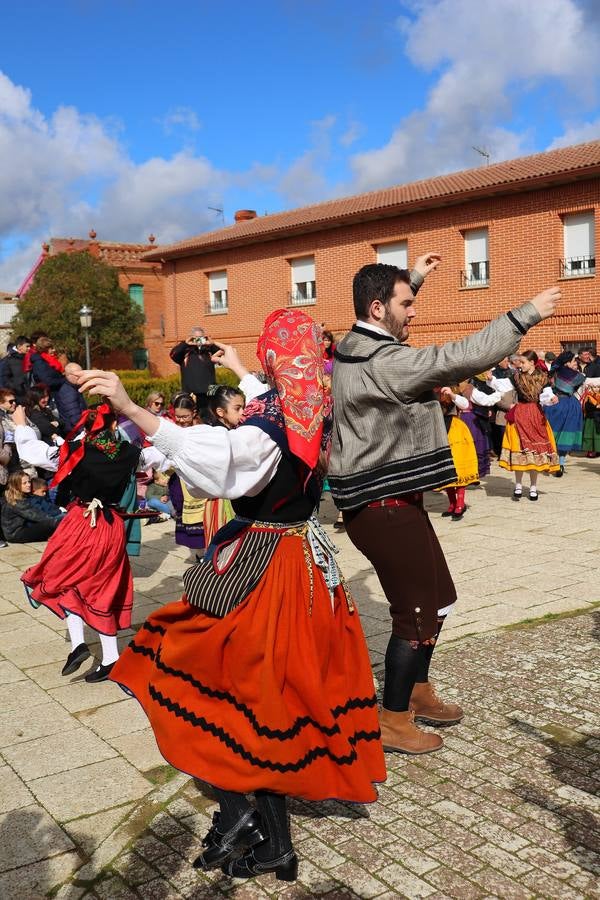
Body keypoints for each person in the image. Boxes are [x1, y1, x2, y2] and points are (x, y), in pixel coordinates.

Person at [75, 316, 385, 883]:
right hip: (306, 559)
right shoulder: (312, 401)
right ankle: (268, 838)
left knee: (219, 679)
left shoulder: (264, 429)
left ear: (274, 358)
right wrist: (240, 365)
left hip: (268, 566)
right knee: (271, 697)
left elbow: (222, 463)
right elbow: (271, 397)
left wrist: (132, 407)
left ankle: (245, 815)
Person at [328, 255, 560, 754]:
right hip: (381, 505)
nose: (413, 311)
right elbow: (455, 358)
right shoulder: (384, 360)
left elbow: (382, 310)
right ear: (376, 307)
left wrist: (411, 278)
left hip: (394, 501)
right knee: (414, 613)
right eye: (406, 303)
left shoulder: (358, 341)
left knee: (441, 600)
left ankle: (417, 689)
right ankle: (391, 719)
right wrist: (524, 315)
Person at [16, 403, 165, 681]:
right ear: (113, 426)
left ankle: (81, 645)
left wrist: (22, 425)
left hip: (80, 523)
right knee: (101, 589)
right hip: (111, 525)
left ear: (86, 427)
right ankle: (105, 657)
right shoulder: (132, 454)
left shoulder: (73, 452)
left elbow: (30, 452)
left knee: (64, 579)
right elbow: (161, 456)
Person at [499, 350, 560, 498]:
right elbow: (503, 385)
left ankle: (533, 487)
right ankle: (518, 485)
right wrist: (491, 380)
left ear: (532, 363)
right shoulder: (516, 376)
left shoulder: (542, 377)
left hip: (535, 414)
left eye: (523, 362)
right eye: (519, 362)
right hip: (520, 414)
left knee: (534, 452)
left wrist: (551, 399)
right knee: (519, 450)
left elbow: (546, 394)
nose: (520, 364)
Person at [202, 385, 244, 544]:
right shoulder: (217, 436)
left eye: (243, 407)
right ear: (221, 412)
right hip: (221, 501)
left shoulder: (232, 431)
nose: (242, 412)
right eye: (237, 408)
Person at [168, 395, 205, 553]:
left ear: (194, 412)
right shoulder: (172, 431)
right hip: (180, 480)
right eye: (178, 416)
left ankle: (206, 555)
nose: (181, 420)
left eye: (185, 416)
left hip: (200, 480)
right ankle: (198, 555)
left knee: (205, 521)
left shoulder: (202, 430)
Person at [436, 386, 479, 520]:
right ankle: (452, 503)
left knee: (458, 467)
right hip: (439, 429)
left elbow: (465, 404)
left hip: (455, 429)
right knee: (445, 468)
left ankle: (460, 503)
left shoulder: (453, 387)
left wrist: (452, 395)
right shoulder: (430, 390)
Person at [545, 351, 585, 475]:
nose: (575, 363)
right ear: (567, 363)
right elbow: (579, 384)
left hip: (554, 404)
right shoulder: (576, 375)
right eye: (574, 361)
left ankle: (552, 462)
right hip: (570, 405)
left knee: (552, 433)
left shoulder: (553, 372)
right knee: (566, 434)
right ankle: (560, 464)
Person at [170, 327, 216, 419]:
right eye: (196, 338)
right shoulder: (185, 353)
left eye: (201, 337)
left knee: (211, 418)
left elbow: (223, 354)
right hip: (190, 392)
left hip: (210, 392)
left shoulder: (209, 351)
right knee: (193, 418)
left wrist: (212, 344)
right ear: (191, 337)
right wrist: (185, 343)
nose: (198, 340)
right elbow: (173, 354)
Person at [1, 470, 59, 543]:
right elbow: (36, 516)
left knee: (53, 521)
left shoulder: (22, 496)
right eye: (24, 483)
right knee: (51, 523)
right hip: (16, 534)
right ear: (16, 485)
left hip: (23, 528)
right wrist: (55, 521)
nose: (28, 485)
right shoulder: (16, 502)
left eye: (29, 482)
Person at [0, 335, 31, 402]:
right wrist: (16, 387)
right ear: (19, 347)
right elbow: (3, 379)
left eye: (30, 346)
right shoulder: (8, 360)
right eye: (27, 346)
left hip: (27, 395)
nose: (29, 348)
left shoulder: (27, 358)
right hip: (16, 396)